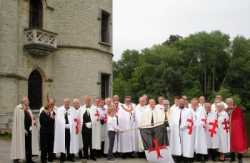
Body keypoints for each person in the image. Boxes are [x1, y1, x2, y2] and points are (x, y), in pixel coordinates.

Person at [11, 96, 39, 163]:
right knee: (19, 144)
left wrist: (33, 123)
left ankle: (29, 159)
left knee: (29, 145)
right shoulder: (18, 108)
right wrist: (23, 130)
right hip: (21, 131)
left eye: (28, 101)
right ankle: (16, 158)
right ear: (24, 101)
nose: (29, 102)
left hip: (29, 130)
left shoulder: (28, 109)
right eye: (27, 100)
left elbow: (31, 119)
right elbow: (18, 122)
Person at [169, 97, 195, 163]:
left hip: (185, 131)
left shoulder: (188, 111)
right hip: (176, 130)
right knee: (177, 144)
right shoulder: (174, 110)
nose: (181, 103)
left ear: (184, 103)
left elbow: (190, 120)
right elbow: (171, 120)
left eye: (182, 102)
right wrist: (172, 127)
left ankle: (185, 158)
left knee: (185, 145)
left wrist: (184, 125)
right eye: (180, 102)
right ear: (178, 103)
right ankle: (177, 157)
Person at [226, 98, 248, 163]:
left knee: (238, 142)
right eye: (228, 102)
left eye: (230, 102)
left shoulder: (238, 108)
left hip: (237, 129)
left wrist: (237, 108)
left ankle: (240, 158)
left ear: (233, 102)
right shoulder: (226, 109)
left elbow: (244, 109)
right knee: (230, 143)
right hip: (229, 128)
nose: (229, 103)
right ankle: (232, 158)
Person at [80, 96, 101, 160]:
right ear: (85, 101)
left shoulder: (95, 108)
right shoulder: (82, 108)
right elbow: (79, 117)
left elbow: (97, 117)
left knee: (92, 142)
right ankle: (85, 155)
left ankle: (92, 155)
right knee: (85, 142)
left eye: (89, 100)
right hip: (84, 128)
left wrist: (92, 123)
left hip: (92, 128)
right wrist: (84, 124)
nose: (87, 101)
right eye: (86, 100)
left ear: (90, 101)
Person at [39, 98, 56, 163]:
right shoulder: (42, 114)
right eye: (49, 108)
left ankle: (50, 158)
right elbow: (44, 123)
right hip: (44, 133)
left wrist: (52, 117)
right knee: (44, 147)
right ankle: (43, 159)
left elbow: (53, 122)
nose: (50, 109)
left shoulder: (51, 114)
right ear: (46, 109)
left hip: (50, 132)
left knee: (50, 146)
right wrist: (51, 118)